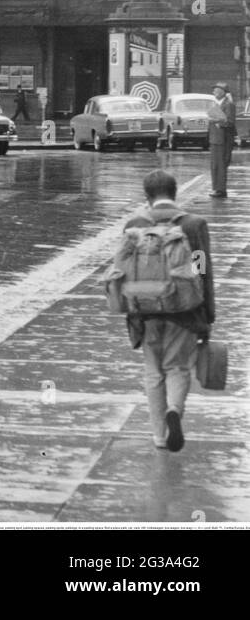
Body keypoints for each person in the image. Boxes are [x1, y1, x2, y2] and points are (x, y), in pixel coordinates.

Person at [119, 170, 215, 452]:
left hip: (145, 310)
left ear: (147, 197)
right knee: (178, 367)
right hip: (184, 310)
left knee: (153, 371)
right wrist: (207, 313)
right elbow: (202, 269)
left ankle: (159, 436)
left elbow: (125, 271)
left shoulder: (134, 224)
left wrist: (131, 310)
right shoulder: (194, 224)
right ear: (175, 193)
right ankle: (174, 408)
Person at [207, 83, 235, 197]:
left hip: (223, 139)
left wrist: (218, 122)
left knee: (221, 164)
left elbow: (230, 121)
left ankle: (221, 190)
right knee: (214, 165)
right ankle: (216, 188)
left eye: (216, 90)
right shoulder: (216, 104)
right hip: (215, 138)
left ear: (222, 92)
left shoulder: (228, 104)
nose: (214, 92)